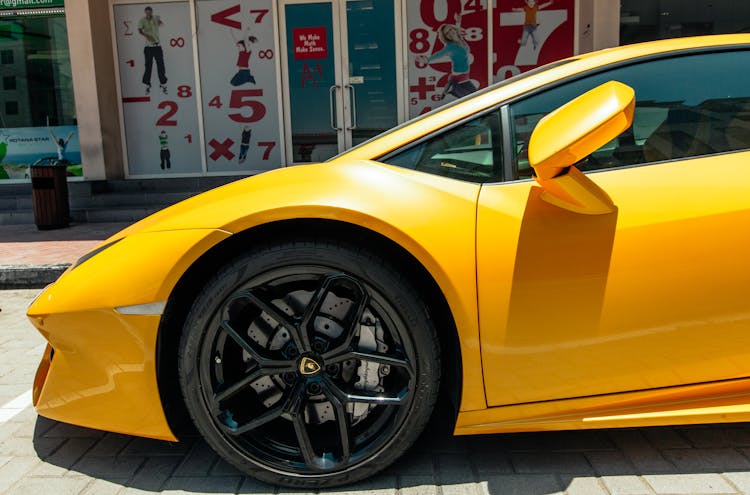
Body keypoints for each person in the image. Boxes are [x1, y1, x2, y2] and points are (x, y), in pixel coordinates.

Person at [416, 14, 477, 100]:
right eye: (447, 33)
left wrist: (458, 22)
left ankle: (452, 86)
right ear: (447, 37)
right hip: (460, 76)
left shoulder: (460, 39)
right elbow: (439, 54)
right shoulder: (450, 47)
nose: (450, 32)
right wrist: (428, 60)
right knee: (475, 97)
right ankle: (453, 88)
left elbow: (457, 32)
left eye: (450, 29)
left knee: (473, 97)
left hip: (463, 76)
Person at [139, 6, 168, 95]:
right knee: (148, 66)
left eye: (149, 12)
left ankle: (163, 83)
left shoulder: (155, 18)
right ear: (145, 12)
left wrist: (159, 21)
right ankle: (147, 84)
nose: (148, 14)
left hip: (157, 46)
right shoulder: (142, 20)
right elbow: (139, 30)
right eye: (147, 12)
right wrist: (146, 35)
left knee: (160, 64)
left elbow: (162, 25)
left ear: (151, 12)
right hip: (148, 47)